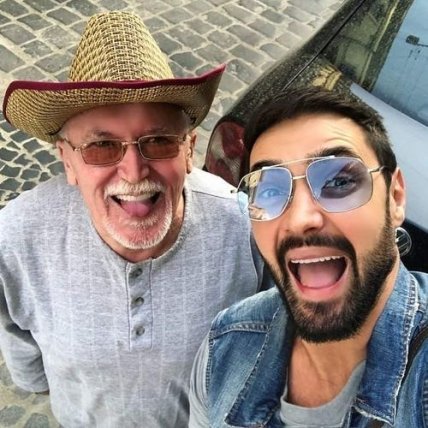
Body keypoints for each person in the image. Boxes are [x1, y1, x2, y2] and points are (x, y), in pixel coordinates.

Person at [0, 11, 266, 428]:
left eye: (158, 141)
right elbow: (14, 332)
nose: (134, 171)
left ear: (189, 150)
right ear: (67, 161)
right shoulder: (16, 238)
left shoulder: (244, 229)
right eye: (101, 146)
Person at [189, 86, 428, 427]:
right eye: (271, 189)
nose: (300, 219)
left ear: (395, 197)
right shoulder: (226, 348)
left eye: (339, 181)